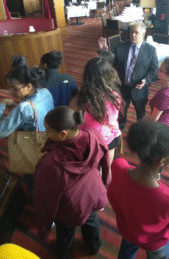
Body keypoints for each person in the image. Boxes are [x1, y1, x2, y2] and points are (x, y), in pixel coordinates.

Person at [107, 119, 169, 259]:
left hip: (128, 230)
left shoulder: (118, 166)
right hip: (155, 243)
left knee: (126, 252)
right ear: (162, 161)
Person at [34, 106, 110, 259]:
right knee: (91, 220)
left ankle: (65, 254)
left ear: (63, 134)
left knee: (66, 232)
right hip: (94, 192)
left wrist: (43, 226)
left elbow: (44, 197)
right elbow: (105, 161)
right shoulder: (93, 134)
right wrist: (105, 181)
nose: (45, 134)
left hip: (71, 206)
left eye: (48, 131)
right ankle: (94, 246)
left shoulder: (50, 162)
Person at [98, 21, 158, 129]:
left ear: (143, 34)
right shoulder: (121, 46)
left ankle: (140, 129)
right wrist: (104, 51)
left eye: (136, 33)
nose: (132, 35)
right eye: (131, 32)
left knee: (140, 112)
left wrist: (146, 80)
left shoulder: (151, 50)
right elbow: (111, 62)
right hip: (122, 86)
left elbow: (154, 71)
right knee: (121, 111)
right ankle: (121, 126)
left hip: (139, 89)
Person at [70, 57, 122, 164]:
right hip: (111, 136)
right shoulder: (115, 96)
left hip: (91, 142)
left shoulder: (79, 101)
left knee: (93, 169)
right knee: (108, 167)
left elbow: (72, 123)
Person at [0, 65, 54, 138]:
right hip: (49, 133)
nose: (10, 91)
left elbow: (1, 132)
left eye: (14, 88)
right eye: (9, 87)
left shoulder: (24, 108)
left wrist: (2, 105)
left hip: (31, 140)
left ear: (29, 86)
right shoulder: (45, 91)